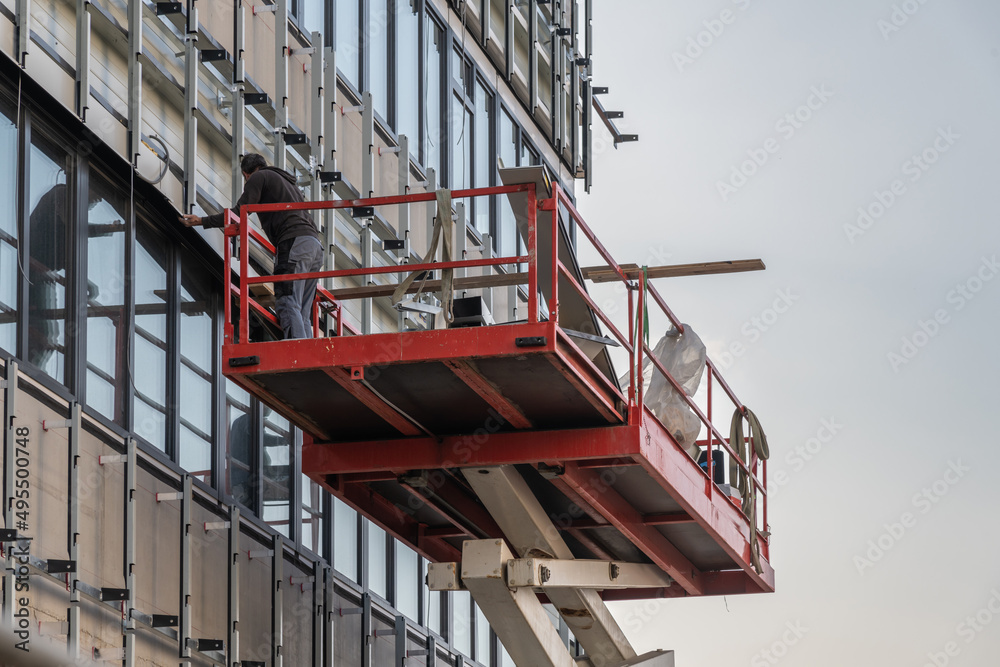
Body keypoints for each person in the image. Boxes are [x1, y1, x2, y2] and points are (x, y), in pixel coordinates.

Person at [180, 154, 323, 339]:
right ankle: (307, 353)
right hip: (314, 247)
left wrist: (202, 220)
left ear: (246, 174)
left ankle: (297, 350)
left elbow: (240, 211)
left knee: (288, 301)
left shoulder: (259, 177)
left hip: (293, 242)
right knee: (302, 309)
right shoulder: (289, 184)